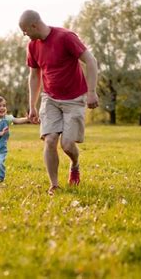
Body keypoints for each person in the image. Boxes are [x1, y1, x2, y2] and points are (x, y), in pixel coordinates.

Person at [18, 10, 99, 195]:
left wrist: (92, 91)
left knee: (68, 145)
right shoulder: (32, 46)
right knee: (50, 140)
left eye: (25, 31)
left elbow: (90, 60)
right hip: (51, 98)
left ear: (34, 26)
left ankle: (75, 164)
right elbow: (34, 76)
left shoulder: (65, 37)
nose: (25, 35)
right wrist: (32, 105)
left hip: (74, 99)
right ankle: (54, 184)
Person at [0, 96, 29, 183]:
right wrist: (1, 133)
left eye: (4, 105)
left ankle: (0, 180)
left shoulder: (7, 118)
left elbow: (17, 120)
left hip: (1, 147)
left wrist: (27, 119)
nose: (2, 108)